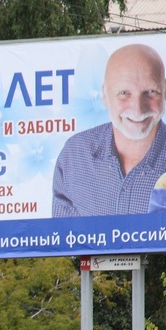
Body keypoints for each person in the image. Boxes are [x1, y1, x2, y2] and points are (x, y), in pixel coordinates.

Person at [53, 43, 166, 217]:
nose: (137, 109)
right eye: (124, 93)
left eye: (151, 92)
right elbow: (63, 241)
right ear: (104, 95)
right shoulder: (75, 157)